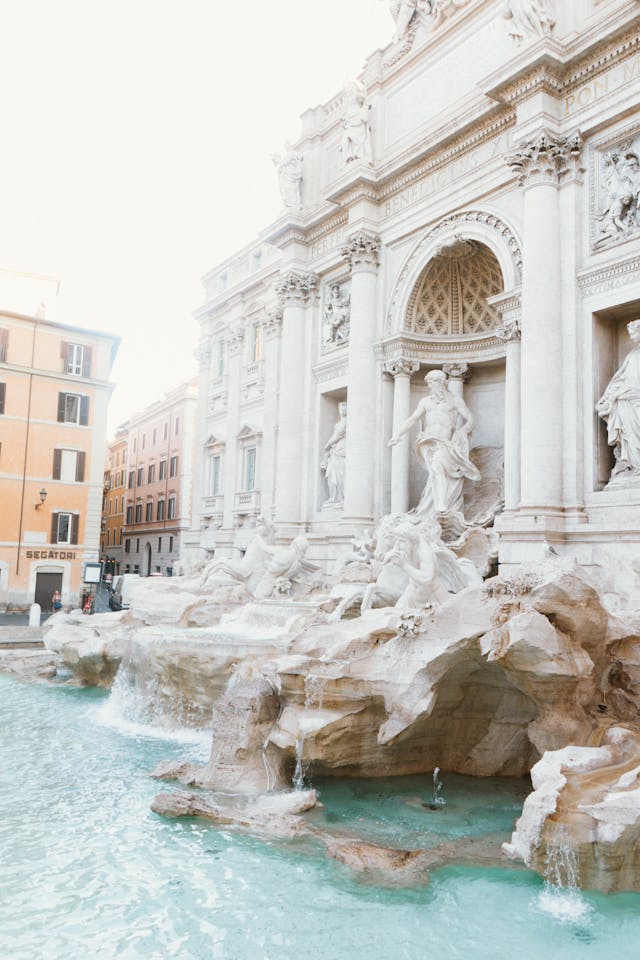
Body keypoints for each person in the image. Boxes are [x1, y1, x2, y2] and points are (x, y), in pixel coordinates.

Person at [389, 368, 480, 518]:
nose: (429, 386)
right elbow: (412, 419)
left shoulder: (454, 400)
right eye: (428, 383)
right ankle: (435, 505)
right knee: (434, 474)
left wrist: (462, 432)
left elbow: (470, 419)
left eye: (431, 383)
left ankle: (441, 505)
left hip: (445, 442)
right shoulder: (425, 402)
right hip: (428, 442)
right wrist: (398, 434)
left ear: (440, 382)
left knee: (437, 467)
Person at [597, 319, 640, 480]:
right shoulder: (632, 355)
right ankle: (634, 466)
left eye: (634, 333)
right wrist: (610, 396)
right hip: (627, 400)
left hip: (635, 399)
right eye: (630, 334)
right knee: (629, 433)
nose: (631, 337)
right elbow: (621, 378)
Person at [323, 403, 347, 504]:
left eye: (344, 408)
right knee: (331, 473)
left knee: (341, 473)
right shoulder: (338, 424)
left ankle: (342, 496)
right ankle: (334, 497)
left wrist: (328, 445)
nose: (342, 411)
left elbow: (338, 435)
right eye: (340, 408)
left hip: (342, 449)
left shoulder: (346, 422)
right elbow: (335, 435)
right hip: (335, 450)